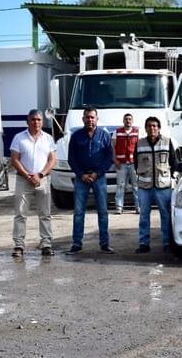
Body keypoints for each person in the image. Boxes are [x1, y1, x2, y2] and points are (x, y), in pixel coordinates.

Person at [8, 109, 57, 258]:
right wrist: (28, 175)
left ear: (43, 121)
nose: (36, 122)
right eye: (33, 120)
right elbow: (15, 159)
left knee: (45, 214)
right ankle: (18, 245)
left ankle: (46, 244)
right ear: (27, 122)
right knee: (21, 214)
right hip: (24, 180)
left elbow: (52, 160)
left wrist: (40, 174)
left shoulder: (48, 138)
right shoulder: (19, 138)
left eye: (39, 120)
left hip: (43, 179)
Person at [67, 107, 115, 254]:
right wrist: (81, 174)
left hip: (98, 178)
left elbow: (109, 158)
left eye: (92, 117)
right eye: (87, 117)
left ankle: (104, 244)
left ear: (97, 119)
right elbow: (71, 158)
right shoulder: (76, 136)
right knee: (79, 212)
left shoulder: (104, 135)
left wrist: (97, 173)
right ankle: (77, 244)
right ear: (83, 119)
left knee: (103, 211)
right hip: (81, 178)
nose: (90, 120)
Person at [133, 116, 179, 254]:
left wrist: (171, 177)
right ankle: (144, 243)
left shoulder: (167, 142)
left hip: (163, 187)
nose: (152, 128)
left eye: (154, 126)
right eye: (149, 126)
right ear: (145, 128)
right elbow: (136, 163)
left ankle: (167, 243)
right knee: (143, 216)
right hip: (144, 187)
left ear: (159, 128)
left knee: (165, 216)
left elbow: (174, 162)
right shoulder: (139, 144)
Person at [112, 113, 139, 215]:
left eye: (130, 119)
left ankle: (138, 207)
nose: (128, 121)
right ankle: (119, 207)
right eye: (126, 119)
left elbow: (139, 148)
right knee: (120, 186)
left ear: (132, 121)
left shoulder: (137, 132)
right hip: (121, 164)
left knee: (136, 186)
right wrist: (115, 160)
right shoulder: (117, 132)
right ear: (123, 121)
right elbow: (112, 147)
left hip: (133, 164)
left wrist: (139, 163)